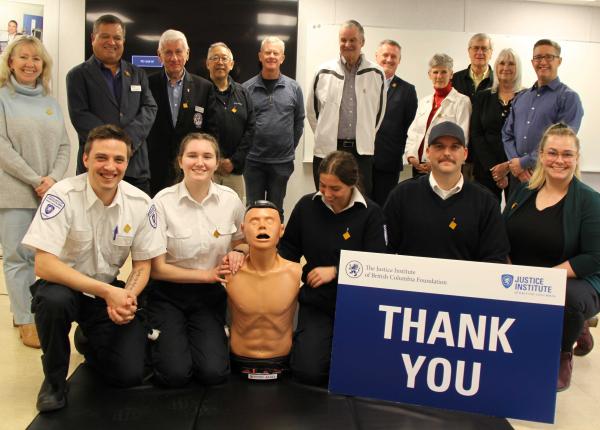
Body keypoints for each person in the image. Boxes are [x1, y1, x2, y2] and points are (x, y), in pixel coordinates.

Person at [22, 124, 163, 412]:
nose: (110, 167)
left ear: (127, 162)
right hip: (65, 286)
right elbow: (44, 264)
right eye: (101, 158)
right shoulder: (61, 196)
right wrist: (108, 291)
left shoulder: (139, 203)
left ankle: (87, 338)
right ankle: (54, 382)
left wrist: (127, 296)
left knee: (128, 374)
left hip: (105, 292)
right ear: (85, 159)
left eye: (118, 160)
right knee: (53, 302)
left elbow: (143, 264)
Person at [504, 124, 600, 391]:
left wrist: (545, 279)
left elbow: (594, 258)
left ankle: (562, 354)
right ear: (542, 156)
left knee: (566, 299)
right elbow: (502, 235)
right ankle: (576, 326)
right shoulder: (523, 193)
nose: (559, 160)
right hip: (526, 277)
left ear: (577, 159)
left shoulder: (590, 201)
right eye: (553, 153)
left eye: (567, 154)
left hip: (574, 280)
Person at [279, 151, 387, 386]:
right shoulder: (306, 206)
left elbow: (377, 263)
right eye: (323, 185)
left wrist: (336, 270)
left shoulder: (371, 213)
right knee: (307, 371)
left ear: (352, 184)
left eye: (335, 189)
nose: (327, 194)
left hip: (356, 303)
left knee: (360, 373)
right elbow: (287, 250)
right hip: (317, 302)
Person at [148, 132, 246, 387]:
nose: (199, 162)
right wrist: (207, 275)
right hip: (168, 295)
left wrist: (239, 251)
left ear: (217, 162)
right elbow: (157, 269)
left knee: (213, 373)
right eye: (192, 155)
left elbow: (242, 241)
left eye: (207, 156)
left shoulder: (230, 200)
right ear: (180, 161)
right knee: (174, 375)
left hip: (210, 297)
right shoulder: (162, 202)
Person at [0, 36, 70, 348]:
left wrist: (53, 179)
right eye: (24, 57)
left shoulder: (49, 102)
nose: (30, 63)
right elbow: (2, 147)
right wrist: (34, 179)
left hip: (47, 195)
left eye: (36, 58)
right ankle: (26, 319)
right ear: (10, 63)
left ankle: (28, 311)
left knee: (43, 258)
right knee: (18, 257)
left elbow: (65, 145)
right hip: (14, 192)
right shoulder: (2, 99)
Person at [386, 121, 509, 262]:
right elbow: (383, 251)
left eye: (455, 147)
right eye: (439, 146)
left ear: (465, 154)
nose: (446, 153)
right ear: (428, 152)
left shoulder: (485, 202)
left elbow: (495, 259)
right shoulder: (402, 195)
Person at [67, 14, 157, 194]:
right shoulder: (77, 75)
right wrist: (113, 145)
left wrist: (127, 142)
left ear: (123, 41)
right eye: (105, 36)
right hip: (97, 169)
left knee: (136, 221)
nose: (111, 42)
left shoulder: (138, 73)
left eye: (117, 37)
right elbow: (80, 115)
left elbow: (149, 108)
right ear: (93, 39)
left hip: (135, 167)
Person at [307, 20, 386, 196]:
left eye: (352, 40)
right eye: (343, 40)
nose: (347, 44)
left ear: (362, 42)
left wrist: (365, 134)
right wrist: (325, 134)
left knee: (360, 201)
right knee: (327, 199)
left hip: (361, 152)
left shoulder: (376, 73)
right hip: (328, 150)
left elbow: (378, 114)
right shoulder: (323, 71)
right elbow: (312, 112)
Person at [226, 200, 301, 379]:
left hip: (282, 363)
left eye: (269, 221)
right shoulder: (228, 272)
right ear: (243, 229)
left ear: (281, 230)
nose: (262, 227)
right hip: (238, 363)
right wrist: (237, 251)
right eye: (254, 221)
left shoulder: (297, 273)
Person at [502, 39, 584, 185]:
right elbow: (507, 134)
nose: (543, 62)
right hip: (518, 178)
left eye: (549, 57)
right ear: (532, 62)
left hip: (549, 178)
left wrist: (524, 163)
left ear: (559, 61)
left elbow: (563, 142)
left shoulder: (569, 98)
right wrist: (517, 164)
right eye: (538, 57)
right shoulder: (521, 97)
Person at [147, 29, 218, 196]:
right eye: (168, 52)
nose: (174, 58)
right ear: (159, 55)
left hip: (192, 167)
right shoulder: (147, 84)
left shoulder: (204, 87)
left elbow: (212, 130)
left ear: (187, 54)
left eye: (179, 52)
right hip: (155, 167)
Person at [243, 36, 304, 214]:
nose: (271, 56)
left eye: (275, 53)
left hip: (282, 162)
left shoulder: (294, 88)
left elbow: (299, 121)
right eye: (267, 52)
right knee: (253, 210)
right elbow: (243, 124)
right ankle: (254, 243)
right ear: (260, 56)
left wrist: (289, 146)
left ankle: (276, 243)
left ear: (282, 58)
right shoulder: (247, 88)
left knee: (276, 210)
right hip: (253, 162)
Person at [404, 53, 471, 178]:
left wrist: (435, 162)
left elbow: (462, 138)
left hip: (445, 166)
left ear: (451, 74)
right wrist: (411, 156)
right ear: (429, 75)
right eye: (435, 72)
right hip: (419, 166)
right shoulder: (425, 101)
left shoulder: (462, 101)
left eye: (443, 72)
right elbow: (414, 132)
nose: (439, 76)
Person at [470, 48, 522, 201]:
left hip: (517, 169)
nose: (506, 68)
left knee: (516, 218)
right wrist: (495, 169)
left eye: (511, 64)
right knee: (485, 218)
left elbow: (527, 136)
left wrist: (506, 167)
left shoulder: (527, 97)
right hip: (486, 169)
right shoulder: (482, 97)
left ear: (517, 68)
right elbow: (476, 134)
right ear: (496, 66)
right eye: (502, 63)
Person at [207, 42, 255, 202]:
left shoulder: (243, 93)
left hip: (234, 170)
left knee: (235, 217)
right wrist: (214, 160)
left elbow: (251, 129)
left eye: (224, 58)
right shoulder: (200, 91)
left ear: (231, 64)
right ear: (207, 64)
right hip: (207, 169)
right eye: (214, 58)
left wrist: (233, 161)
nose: (220, 62)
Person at [372, 39, 418, 206]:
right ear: (376, 57)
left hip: (388, 163)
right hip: (360, 161)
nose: (389, 60)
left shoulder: (407, 90)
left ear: (399, 60)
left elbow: (410, 127)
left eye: (394, 56)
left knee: (383, 209)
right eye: (385, 55)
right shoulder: (363, 83)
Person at [451, 33, 494, 99]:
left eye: (484, 48)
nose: (480, 52)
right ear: (469, 51)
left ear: (491, 52)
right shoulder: (454, 79)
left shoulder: (499, 81)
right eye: (476, 48)